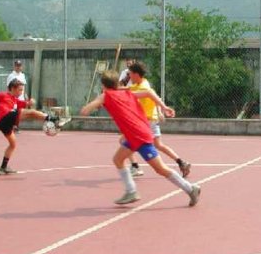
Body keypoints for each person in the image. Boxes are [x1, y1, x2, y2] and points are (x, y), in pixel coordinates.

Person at [80, 70, 200, 207]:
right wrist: (164, 107)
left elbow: (84, 112)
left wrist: (95, 102)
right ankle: (131, 191)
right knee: (118, 159)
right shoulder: (127, 92)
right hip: (134, 136)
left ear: (103, 85)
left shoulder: (106, 96)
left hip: (139, 136)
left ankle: (191, 189)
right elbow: (149, 93)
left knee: (160, 169)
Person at [0, 79, 62, 175]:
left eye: (22, 90)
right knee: (32, 113)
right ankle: (52, 119)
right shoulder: (2, 95)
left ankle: (3, 168)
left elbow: (26, 104)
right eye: (20, 90)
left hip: (3, 124)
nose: (21, 92)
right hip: (5, 117)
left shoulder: (15, 100)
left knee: (13, 144)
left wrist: (30, 102)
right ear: (12, 88)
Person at [127, 61, 191, 178]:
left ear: (136, 74)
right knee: (159, 145)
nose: (129, 76)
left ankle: (136, 167)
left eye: (130, 74)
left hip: (146, 121)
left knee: (126, 141)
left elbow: (147, 94)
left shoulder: (143, 87)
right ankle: (181, 162)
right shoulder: (141, 83)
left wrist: (162, 109)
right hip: (152, 120)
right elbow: (155, 97)